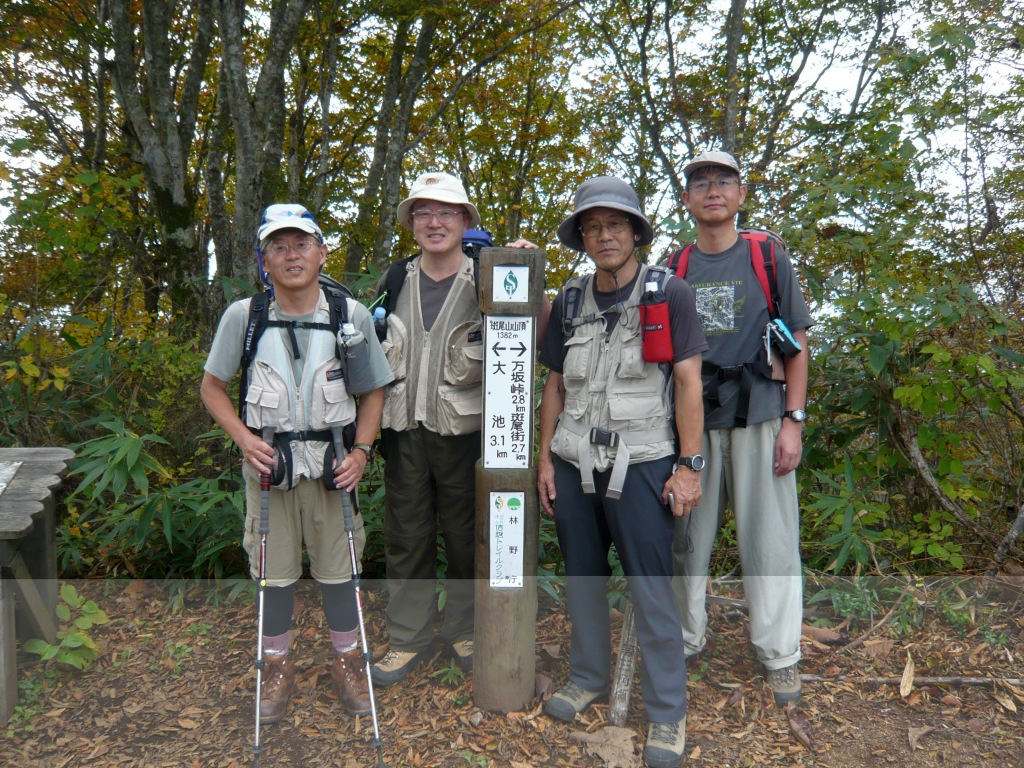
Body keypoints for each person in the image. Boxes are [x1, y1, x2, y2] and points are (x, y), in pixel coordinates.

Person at [536, 177, 708, 768]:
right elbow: (554, 385)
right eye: (592, 226)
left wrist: (689, 466)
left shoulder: (670, 293)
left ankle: (666, 711)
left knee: (650, 585)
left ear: (635, 231)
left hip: (642, 462)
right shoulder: (570, 300)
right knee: (583, 575)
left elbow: (688, 383)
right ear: (581, 237)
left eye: (615, 224)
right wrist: (544, 461)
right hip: (574, 460)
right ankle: (587, 675)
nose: (604, 235)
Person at [200, 204, 394, 724]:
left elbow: (374, 392)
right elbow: (212, 389)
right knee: (274, 575)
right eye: (278, 247)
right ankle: (275, 665)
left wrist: (362, 451)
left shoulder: (348, 315)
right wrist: (244, 440)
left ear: (321, 252)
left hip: (334, 469)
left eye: (301, 244)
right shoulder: (244, 316)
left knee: (340, 572)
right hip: (271, 469)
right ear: (264, 260)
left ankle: (348, 660)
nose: (291, 255)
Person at [371, 172, 537, 686]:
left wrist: (528, 270)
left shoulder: (491, 274)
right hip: (403, 433)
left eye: (446, 212)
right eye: (423, 212)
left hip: (467, 434)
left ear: (465, 220)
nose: (434, 222)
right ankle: (407, 639)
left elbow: (534, 337)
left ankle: (466, 631)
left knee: (469, 539)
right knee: (407, 538)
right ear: (412, 223)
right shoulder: (395, 279)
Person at [669, 151, 813, 706]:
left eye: (723, 181)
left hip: (760, 414)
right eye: (700, 183)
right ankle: (683, 640)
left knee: (771, 542)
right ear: (686, 199)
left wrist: (793, 422)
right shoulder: (676, 265)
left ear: (741, 193)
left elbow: (796, 343)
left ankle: (780, 655)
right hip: (693, 422)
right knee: (687, 540)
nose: (712, 191)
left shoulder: (766, 255)